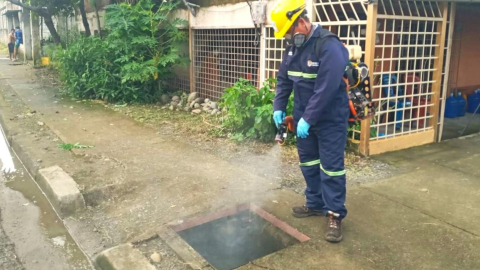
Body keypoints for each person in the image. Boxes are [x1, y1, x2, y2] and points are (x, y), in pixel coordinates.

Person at [270, 0, 349, 243]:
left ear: (302, 22)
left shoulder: (329, 46)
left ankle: (334, 213)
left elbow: (326, 89)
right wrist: (279, 108)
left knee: (331, 168)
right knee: (309, 164)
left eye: (290, 32)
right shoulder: (293, 50)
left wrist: (308, 118)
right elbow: (284, 80)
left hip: (329, 119)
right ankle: (315, 203)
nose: (289, 38)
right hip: (305, 118)